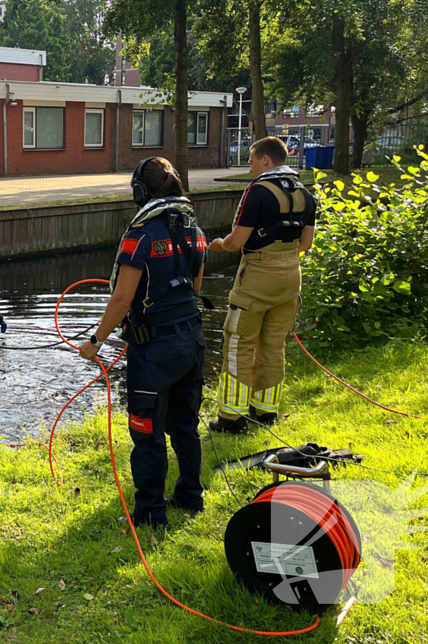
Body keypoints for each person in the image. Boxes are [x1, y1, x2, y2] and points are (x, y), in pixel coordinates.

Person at [79, 157, 208, 530]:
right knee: (185, 425)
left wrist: (95, 341)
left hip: (154, 352)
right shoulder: (195, 231)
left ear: (140, 192)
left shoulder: (139, 236)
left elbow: (121, 300)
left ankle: (151, 514)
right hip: (193, 341)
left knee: (147, 434)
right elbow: (196, 288)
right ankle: (190, 497)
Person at [207, 136, 318, 433]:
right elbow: (306, 244)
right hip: (291, 278)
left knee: (238, 344)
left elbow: (236, 242)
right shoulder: (306, 194)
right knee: (273, 344)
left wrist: (218, 244)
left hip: (256, 278)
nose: (250, 166)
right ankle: (265, 411)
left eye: (253, 160)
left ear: (265, 160)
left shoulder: (256, 192)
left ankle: (231, 417)